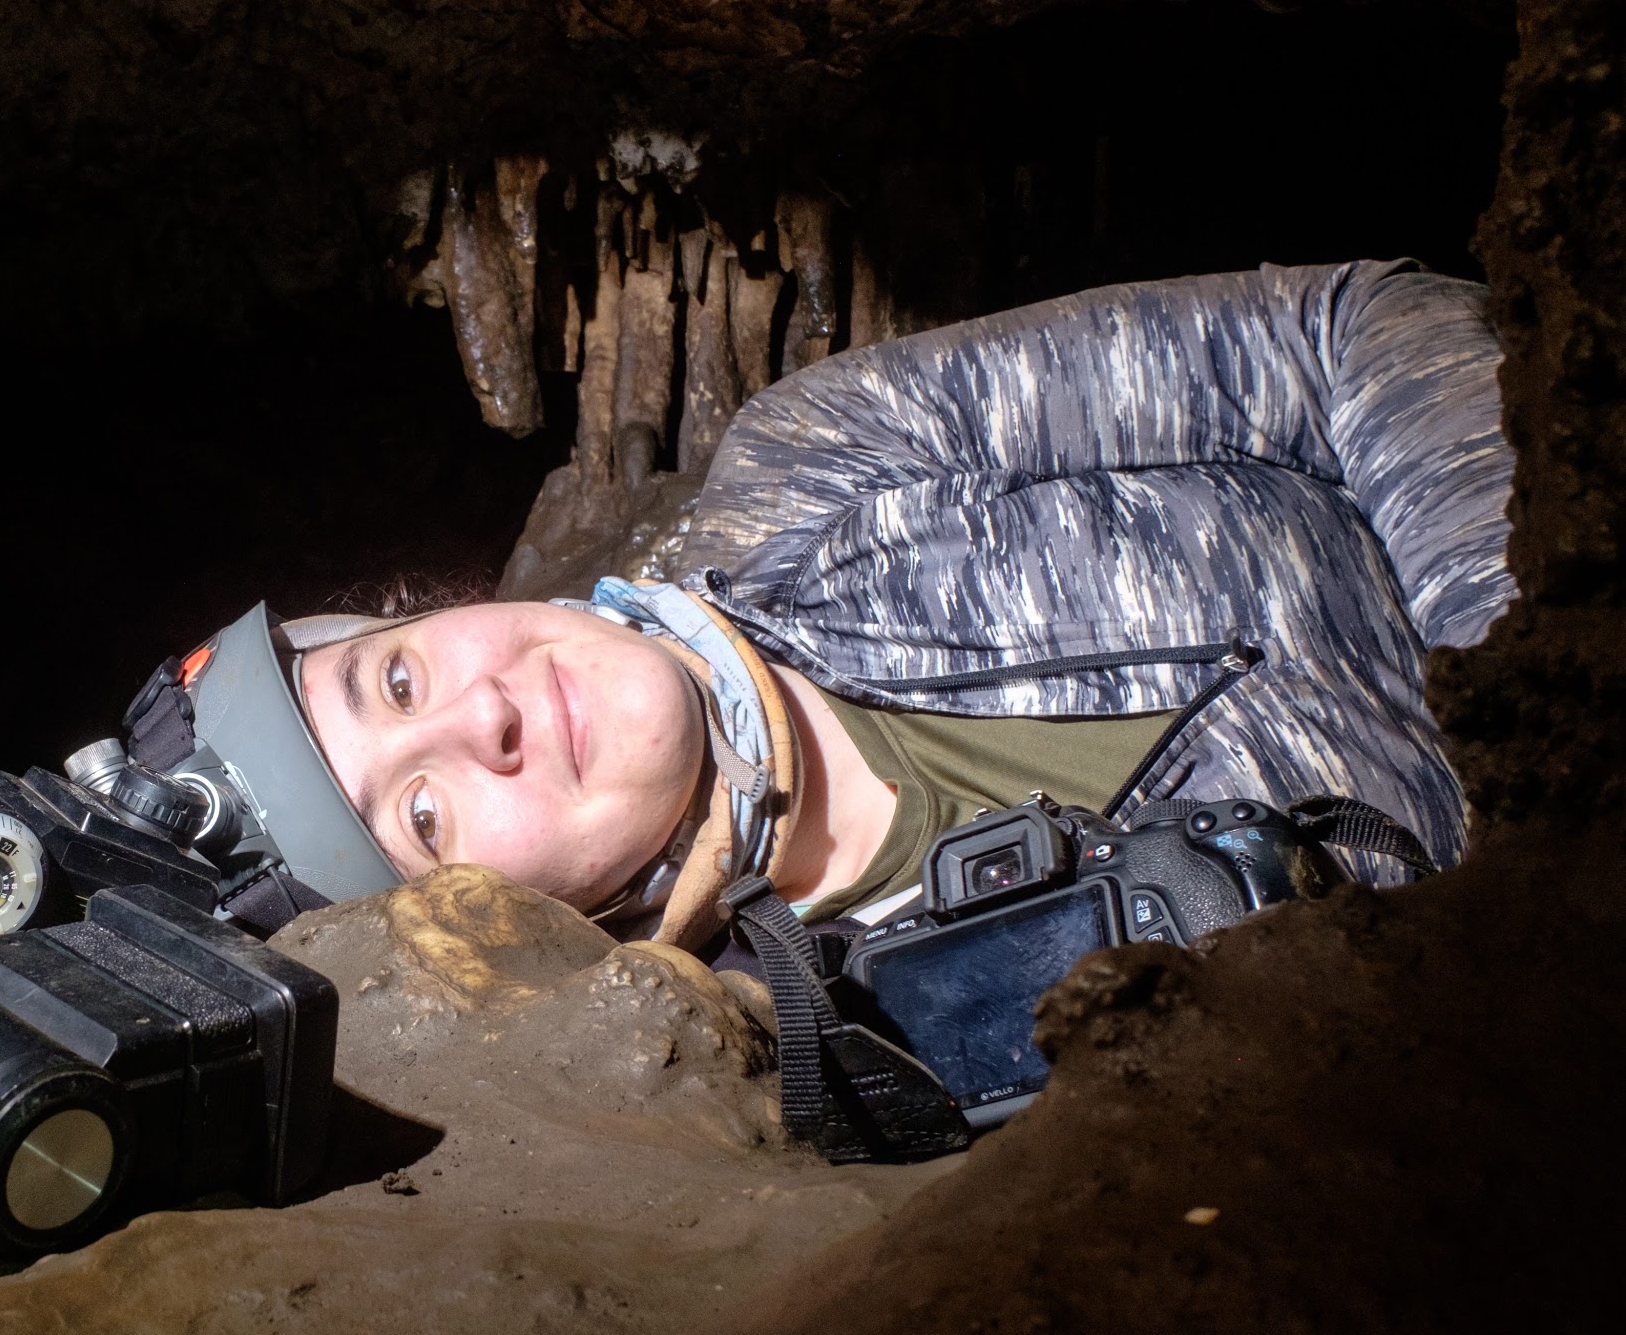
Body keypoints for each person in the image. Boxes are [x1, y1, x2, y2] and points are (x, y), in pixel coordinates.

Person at [118, 260, 1514, 956]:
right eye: (421, 819)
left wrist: (1524, 654)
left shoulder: (820, 466)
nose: (482, 718)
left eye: (401, 682)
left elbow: (1347, 331)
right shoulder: (856, 1061)